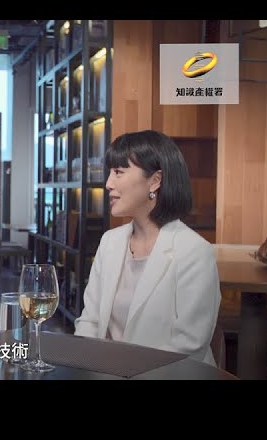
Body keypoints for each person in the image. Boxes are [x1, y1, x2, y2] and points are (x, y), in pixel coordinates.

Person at [74, 130, 221, 366]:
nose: (108, 183)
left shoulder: (194, 252)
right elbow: (89, 321)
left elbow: (189, 346)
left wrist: (124, 370)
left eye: (119, 172)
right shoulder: (110, 242)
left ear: (155, 180)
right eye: (110, 172)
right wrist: (84, 365)